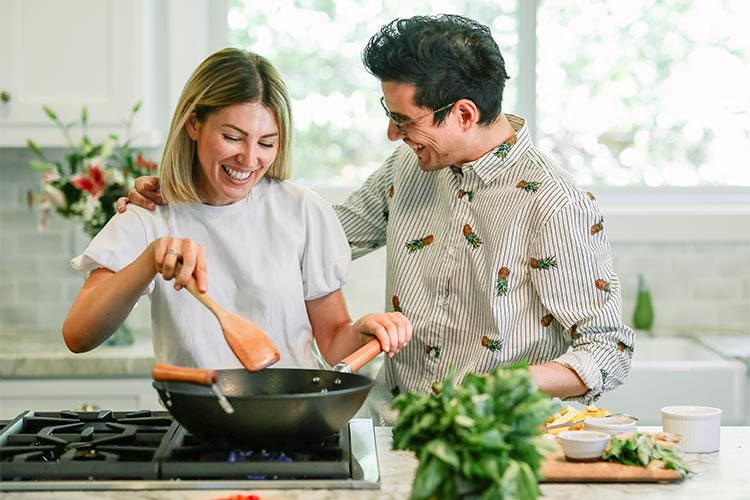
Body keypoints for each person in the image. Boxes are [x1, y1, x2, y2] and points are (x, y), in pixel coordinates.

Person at [119, 15, 634, 426]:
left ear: (463, 114)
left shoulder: (555, 204)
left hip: (496, 444)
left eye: (404, 120)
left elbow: (608, 349)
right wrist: (189, 198)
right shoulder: (406, 168)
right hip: (395, 432)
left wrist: (505, 384)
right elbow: (302, 237)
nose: (392, 134)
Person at [64, 47, 411, 372]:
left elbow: (334, 340)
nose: (248, 159)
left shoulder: (303, 211)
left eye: (266, 142)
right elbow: (78, 336)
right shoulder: (151, 214)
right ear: (194, 124)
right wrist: (150, 260)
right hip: (198, 413)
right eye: (232, 137)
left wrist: (363, 330)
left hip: (294, 412)